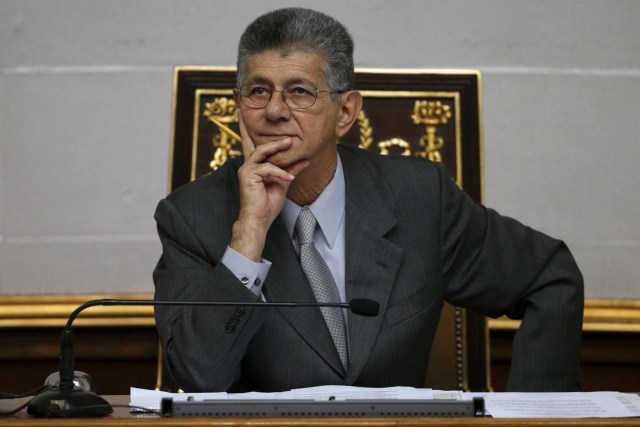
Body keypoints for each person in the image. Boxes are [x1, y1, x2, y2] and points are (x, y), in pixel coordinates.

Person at [153, 7, 583, 393]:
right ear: (238, 105)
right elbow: (197, 377)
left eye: (300, 91)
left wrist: (536, 414)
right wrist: (249, 233)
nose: (275, 111)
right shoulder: (192, 217)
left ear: (345, 112)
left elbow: (549, 276)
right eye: (258, 91)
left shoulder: (419, 198)